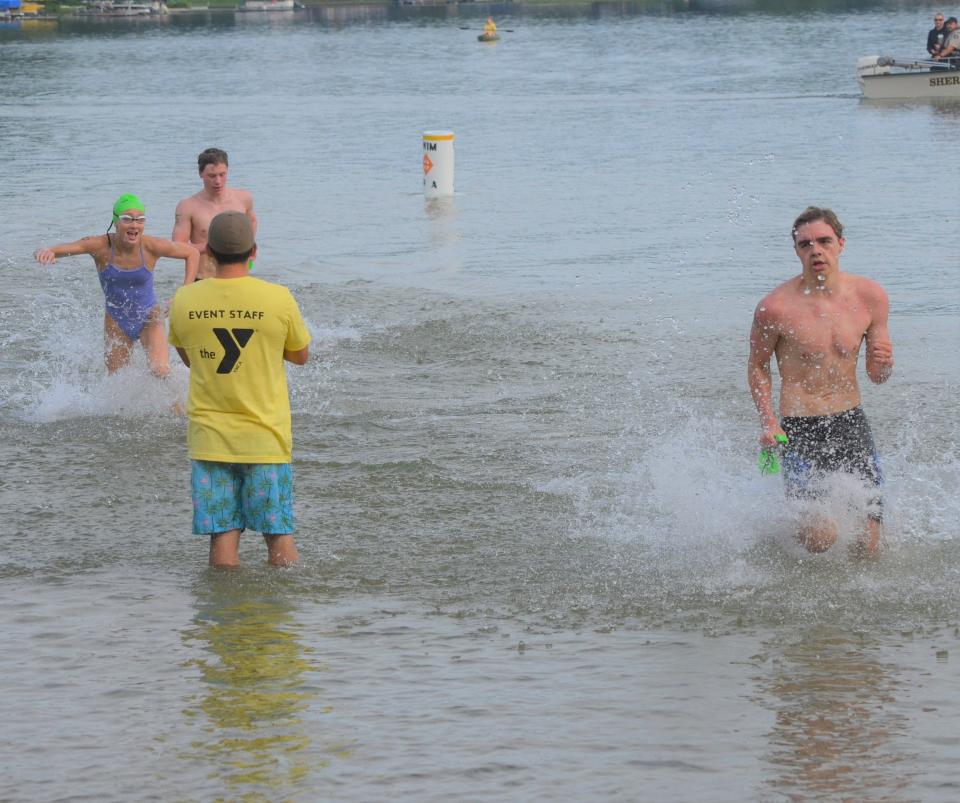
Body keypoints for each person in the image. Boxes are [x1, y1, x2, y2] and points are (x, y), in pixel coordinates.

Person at [747, 207, 894, 557]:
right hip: (800, 428)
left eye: (824, 241)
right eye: (806, 244)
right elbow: (757, 366)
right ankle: (786, 527)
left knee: (869, 543)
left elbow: (877, 377)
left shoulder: (870, 297)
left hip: (851, 422)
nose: (816, 250)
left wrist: (884, 364)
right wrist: (768, 421)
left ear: (840, 244)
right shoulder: (775, 308)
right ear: (796, 251)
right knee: (820, 539)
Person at [168, 211, 311, 568]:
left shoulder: (184, 300)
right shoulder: (278, 298)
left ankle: (223, 617)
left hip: (210, 439)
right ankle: (281, 611)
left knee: (223, 532)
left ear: (208, 254)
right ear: (254, 251)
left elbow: (189, 360)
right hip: (265, 436)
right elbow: (300, 355)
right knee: (277, 532)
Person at [34, 193, 199, 377]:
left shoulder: (152, 246)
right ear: (115, 221)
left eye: (140, 220)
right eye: (127, 219)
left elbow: (192, 253)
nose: (134, 225)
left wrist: (185, 291)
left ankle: (180, 397)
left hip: (149, 318)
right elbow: (59, 249)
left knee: (160, 371)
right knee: (117, 382)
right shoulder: (100, 246)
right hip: (116, 321)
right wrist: (45, 252)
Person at [172, 147, 257, 281]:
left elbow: (251, 221)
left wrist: (249, 251)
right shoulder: (187, 206)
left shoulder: (243, 198)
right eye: (212, 176)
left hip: (237, 279)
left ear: (227, 171)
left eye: (222, 174)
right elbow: (177, 246)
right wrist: (210, 246)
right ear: (200, 173)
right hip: (203, 278)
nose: (218, 181)